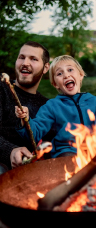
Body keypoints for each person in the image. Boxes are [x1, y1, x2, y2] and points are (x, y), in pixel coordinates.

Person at [15, 55, 96, 158]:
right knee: (69, 159)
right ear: (55, 84)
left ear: (80, 75)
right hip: (66, 153)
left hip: (94, 151)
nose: (66, 75)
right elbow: (34, 134)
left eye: (70, 70)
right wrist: (25, 119)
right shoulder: (52, 106)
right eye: (59, 73)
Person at [0, 41, 51, 171]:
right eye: (21, 57)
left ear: (45, 68)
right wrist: (10, 151)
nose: (25, 63)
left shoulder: (47, 106)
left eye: (33, 59)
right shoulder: (2, 89)